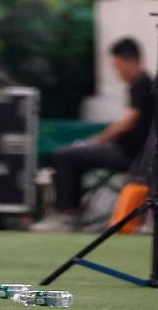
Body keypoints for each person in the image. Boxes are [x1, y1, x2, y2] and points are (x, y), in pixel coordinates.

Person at [34, 37, 154, 232]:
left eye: (118, 67)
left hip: (129, 154)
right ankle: (71, 212)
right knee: (70, 155)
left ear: (131, 61)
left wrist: (97, 140)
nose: (119, 73)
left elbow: (127, 121)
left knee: (65, 156)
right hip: (130, 152)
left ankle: (67, 215)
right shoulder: (143, 84)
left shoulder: (143, 83)